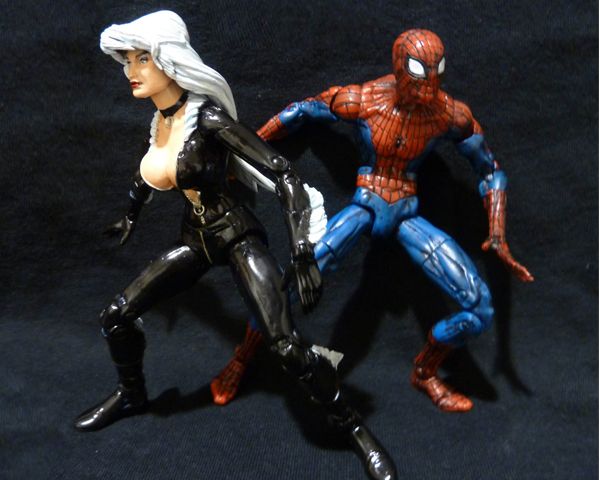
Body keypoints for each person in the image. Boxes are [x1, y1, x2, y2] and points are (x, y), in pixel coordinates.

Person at [74, 11, 396, 480]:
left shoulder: (208, 119)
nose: (131, 71)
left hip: (236, 235)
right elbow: (150, 170)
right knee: (116, 316)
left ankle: (356, 429)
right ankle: (133, 394)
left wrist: (301, 250)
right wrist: (131, 213)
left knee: (285, 347)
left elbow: (284, 173)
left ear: (170, 60)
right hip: (197, 239)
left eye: (142, 58)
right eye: (128, 60)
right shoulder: (162, 122)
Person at [212, 29, 534, 412]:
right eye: (420, 72)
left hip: (407, 214)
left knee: (479, 307)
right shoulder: (364, 99)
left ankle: (425, 371)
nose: (428, 87)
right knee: (290, 284)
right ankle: (241, 358)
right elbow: (300, 111)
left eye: (437, 73)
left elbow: (491, 171)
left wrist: (497, 232)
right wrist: (245, 153)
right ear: (400, 68)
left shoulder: (449, 114)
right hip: (365, 205)